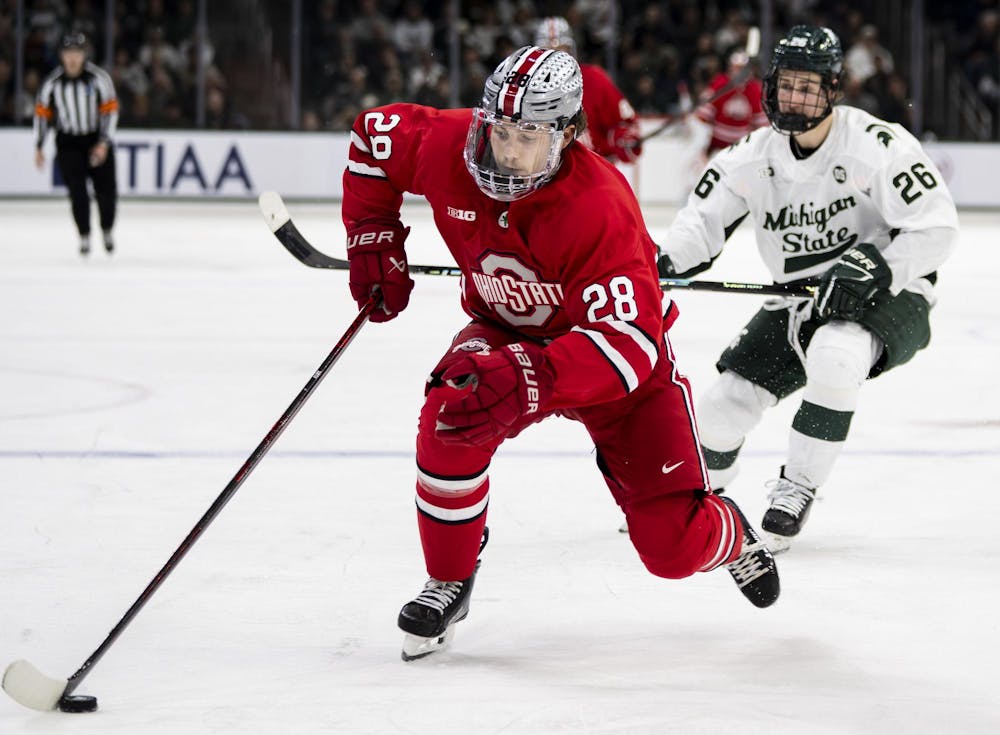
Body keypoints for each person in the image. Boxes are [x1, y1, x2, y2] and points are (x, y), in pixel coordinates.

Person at [341, 45, 780, 661]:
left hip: (612, 371)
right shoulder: (445, 146)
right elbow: (370, 141)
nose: (507, 152)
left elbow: (630, 346)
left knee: (671, 551)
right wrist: (373, 237)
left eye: (528, 137)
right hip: (505, 329)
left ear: (568, 136)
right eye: (498, 131)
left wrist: (533, 377)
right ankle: (449, 578)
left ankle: (728, 533)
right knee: (452, 411)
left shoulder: (600, 207)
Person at [656, 26, 959, 551]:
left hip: (892, 293)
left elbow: (937, 228)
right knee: (721, 411)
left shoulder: (875, 144)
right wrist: (660, 263)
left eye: (808, 87)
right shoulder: (752, 155)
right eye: (786, 85)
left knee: (835, 355)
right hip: (801, 300)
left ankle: (797, 487)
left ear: (833, 89)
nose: (794, 98)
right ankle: (704, 503)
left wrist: (876, 265)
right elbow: (700, 225)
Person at [34, 31, 119, 256]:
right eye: (68, 52)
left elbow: (110, 112)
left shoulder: (99, 79)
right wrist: (39, 146)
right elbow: (42, 115)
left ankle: (107, 229)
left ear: (84, 54)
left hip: (95, 137)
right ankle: (84, 234)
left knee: (106, 191)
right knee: (77, 191)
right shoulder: (52, 83)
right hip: (69, 142)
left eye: (77, 52)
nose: (73, 58)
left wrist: (103, 143)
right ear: (62, 55)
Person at [535, 17, 643, 164]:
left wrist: (623, 137)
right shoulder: (527, 90)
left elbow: (626, 122)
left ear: (571, 51)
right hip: (546, 179)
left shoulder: (594, 79)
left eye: (561, 50)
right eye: (549, 52)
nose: (555, 59)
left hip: (594, 174)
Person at [693, 47, 767, 157]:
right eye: (736, 68)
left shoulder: (755, 88)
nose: (739, 73)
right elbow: (702, 116)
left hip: (742, 148)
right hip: (717, 146)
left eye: (743, 69)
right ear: (730, 67)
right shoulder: (720, 83)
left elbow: (762, 125)